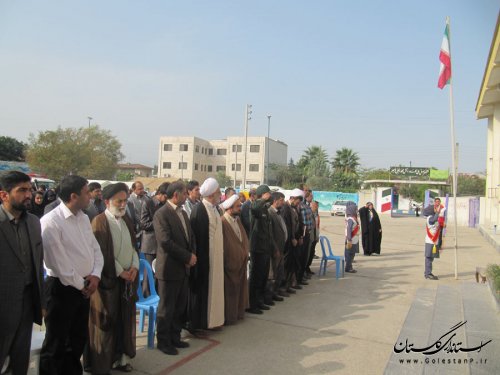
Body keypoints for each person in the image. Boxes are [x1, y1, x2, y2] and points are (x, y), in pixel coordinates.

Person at [40, 175, 104, 375]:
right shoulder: (51, 222)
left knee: (76, 340)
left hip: (84, 287)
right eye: (87, 193)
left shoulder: (83, 218)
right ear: (74, 196)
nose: (90, 198)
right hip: (62, 289)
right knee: (56, 343)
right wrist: (84, 284)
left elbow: (95, 250)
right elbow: (58, 264)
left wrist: (95, 276)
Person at [87, 183, 139, 374]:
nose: (123, 204)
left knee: (123, 322)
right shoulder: (100, 221)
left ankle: (120, 358)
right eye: (119, 200)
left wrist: (134, 266)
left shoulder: (125, 220)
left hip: (126, 281)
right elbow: (102, 252)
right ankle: (101, 364)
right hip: (107, 282)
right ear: (108, 201)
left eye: (125, 200)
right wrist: (120, 271)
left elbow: (134, 247)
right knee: (106, 325)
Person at [0, 171, 45, 375]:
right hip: (3, 303)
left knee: (20, 358)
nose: (28, 195)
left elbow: (38, 262)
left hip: (27, 301)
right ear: (4, 195)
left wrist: (41, 301)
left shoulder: (34, 223)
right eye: (22, 190)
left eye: (29, 190)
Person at [154, 181, 196, 355]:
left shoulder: (183, 213)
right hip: (170, 269)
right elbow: (165, 242)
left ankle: (175, 337)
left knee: (179, 306)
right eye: (184, 193)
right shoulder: (161, 214)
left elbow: (190, 236)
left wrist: (192, 254)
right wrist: (187, 257)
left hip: (183, 268)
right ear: (176, 194)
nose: (186, 196)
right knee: (167, 307)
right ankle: (164, 341)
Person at [189, 178, 225, 330]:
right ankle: (198, 325)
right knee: (201, 292)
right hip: (203, 259)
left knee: (214, 290)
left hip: (216, 258)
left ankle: (212, 321)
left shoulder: (214, 208)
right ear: (211, 194)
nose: (220, 195)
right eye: (218, 192)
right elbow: (195, 237)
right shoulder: (199, 209)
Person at [220, 195, 250, 324]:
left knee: (240, 289)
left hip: (240, 263)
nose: (240, 208)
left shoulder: (237, 220)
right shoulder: (223, 222)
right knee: (230, 291)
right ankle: (229, 317)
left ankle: (238, 313)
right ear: (229, 209)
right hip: (230, 264)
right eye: (238, 206)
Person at [247, 184, 274, 314]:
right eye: (267, 193)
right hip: (257, 249)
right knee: (256, 277)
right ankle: (253, 305)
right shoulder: (255, 206)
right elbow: (255, 208)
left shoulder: (264, 209)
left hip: (265, 248)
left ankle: (260, 301)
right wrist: (262, 198)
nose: (269, 195)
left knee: (263, 277)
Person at [281, 189, 304, 293]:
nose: (298, 203)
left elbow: (297, 223)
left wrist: (299, 237)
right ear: (293, 198)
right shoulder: (285, 208)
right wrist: (292, 238)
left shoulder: (294, 208)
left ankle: (290, 284)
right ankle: (283, 287)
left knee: (292, 263)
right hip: (288, 242)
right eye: (298, 201)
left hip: (294, 240)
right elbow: (287, 227)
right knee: (286, 264)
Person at [268, 192, 287, 301]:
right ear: (275, 200)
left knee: (279, 272)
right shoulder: (270, 213)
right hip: (275, 249)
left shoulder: (278, 213)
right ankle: (270, 295)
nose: (283, 202)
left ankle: (276, 292)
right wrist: (275, 248)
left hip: (281, 247)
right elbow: (271, 234)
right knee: (273, 273)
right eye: (281, 200)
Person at [422, 200, 443, 280]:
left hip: (434, 242)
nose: (435, 209)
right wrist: (437, 212)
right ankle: (428, 273)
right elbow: (433, 220)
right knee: (429, 257)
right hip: (430, 241)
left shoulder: (433, 217)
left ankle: (428, 272)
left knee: (431, 258)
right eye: (434, 209)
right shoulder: (430, 218)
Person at [344, 202, 360, 273]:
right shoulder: (350, 219)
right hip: (351, 240)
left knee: (352, 253)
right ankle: (348, 267)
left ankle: (349, 266)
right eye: (355, 209)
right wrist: (349, 239)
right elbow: (349, 229)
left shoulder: (354, 218)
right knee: (349, 254)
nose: (356, 210)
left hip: (354, 239)